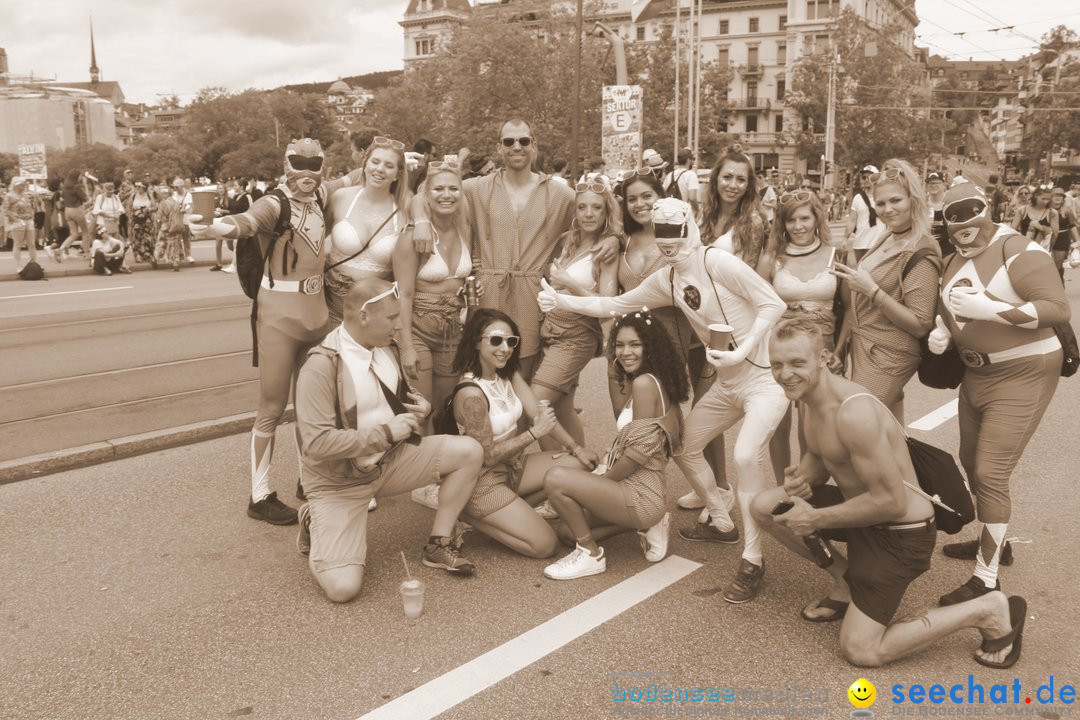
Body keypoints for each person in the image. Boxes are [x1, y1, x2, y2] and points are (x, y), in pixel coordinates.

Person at [539, 198, 789, 603]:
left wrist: (744, 351)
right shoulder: (668, 280)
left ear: (690, 226)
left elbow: (773, 303)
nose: (668, 240)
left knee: (745, 457)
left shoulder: (718, 262)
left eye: (674, 230)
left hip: (763, 379)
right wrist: (562, 300)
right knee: (684, 446)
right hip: (727, 384)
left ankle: (753, 558)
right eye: (661, 231)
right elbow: (615, 305)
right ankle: (723, 522)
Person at [751, 318, 1027, 669]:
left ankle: (986, 610)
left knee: (861, 650)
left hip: (901, 535)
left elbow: (890, 501)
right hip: (863, 515)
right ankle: (847, 582)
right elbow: (822, 457)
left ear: (822, 358)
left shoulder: (854, 413)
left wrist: (815, 517)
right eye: (777, 364)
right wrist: (802, 478)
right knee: (765, 506)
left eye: (796, 363)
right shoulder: (807, 396)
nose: (785, 374)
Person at [189, 138, 363, 525]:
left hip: (316, 315)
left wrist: (398, 160)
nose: (306, 171)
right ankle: (260, 493)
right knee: (271, 406)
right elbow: (247, 223)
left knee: (312, 407)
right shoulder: (275, 202)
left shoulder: (319, 195)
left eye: (313, 163)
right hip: (280, 318)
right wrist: (211, 228)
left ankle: (310, 477)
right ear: (286, 164)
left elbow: (357, 175)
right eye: (298, 163)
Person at [294, 279, 484, 602]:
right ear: (364, 316)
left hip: (389, 462)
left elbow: (392, 399)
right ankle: (313, 517)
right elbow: (316, 444)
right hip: (339, 483)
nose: (399, 326)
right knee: (343, 588)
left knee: (470, 451)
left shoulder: (385, 348)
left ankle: (438, 544)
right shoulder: (320, 366)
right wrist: (384, 433)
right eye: (392, 318)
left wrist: (421, 407)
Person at [928, 182, 1069, 606]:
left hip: (1025, 372)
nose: (963, 229)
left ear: (986, 212)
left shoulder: (1019, 249)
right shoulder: (952, 259)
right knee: (971, 461)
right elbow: (951, 312)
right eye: (953, 220)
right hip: (976, 377)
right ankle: (996, 538)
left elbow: (1056, 308)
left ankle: (987, 579)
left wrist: (992, 309)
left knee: (990, 473)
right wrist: (942, 333)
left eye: (971, 216)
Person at [411, 117, 617, 381]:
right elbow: (424, 192)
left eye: (523, 141)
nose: (516, 147)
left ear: (534, 145)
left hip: (531, 299)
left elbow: (600, 211)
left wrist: (614, 238)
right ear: (499, 147)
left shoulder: (560, 194)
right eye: (509, 141)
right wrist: (419, 220)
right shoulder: (476, 188)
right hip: (487, 296)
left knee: (522, 377)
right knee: (484, 377)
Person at [542, 310, 689, 579]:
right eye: (619, 345)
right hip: (638, 493)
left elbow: (638, 453)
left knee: (556, 479)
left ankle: (591, 555)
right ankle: (646, 525)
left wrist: (604, 480)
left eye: (635, 344)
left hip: (640, 494)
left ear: (650, 346)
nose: (625, 352)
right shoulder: (652, 380)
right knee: (566, 531)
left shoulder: (645, 383)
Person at [450, 309, 594, 558]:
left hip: (512, 468)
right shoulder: (471, 393)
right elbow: (488, 456)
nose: (504, 348)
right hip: (480, 480)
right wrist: (534, 434)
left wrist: (576, 448)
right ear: (476, 342)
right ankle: (469, 514)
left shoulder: (506, 373)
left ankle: (510, 509)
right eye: (496, 340)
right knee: (545, 545)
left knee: (578, 465)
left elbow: (539, 414)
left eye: (511, 341)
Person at [680, 146, 775, 509]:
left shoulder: (751, 222)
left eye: (740, 179)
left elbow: (747, 280)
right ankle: (712, 484)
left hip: (727, 324)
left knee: (708, 402)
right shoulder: (702, 217)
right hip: (697, 318)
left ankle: (721, 487)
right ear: (715, 179)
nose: (732, 185)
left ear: (749, 184)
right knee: (702, 404)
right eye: (727, 177)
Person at [830, 159, 942, 421]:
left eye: (896, 201)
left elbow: (920, 324)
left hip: (888, 355)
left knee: (857, 423)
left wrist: (872, 291)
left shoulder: (920, 250)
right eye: (880, 203)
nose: (887, 209)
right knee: (889, 434)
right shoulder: (889, 235)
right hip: (866, 346)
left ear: (913, 199)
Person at [531, 181, 620, 447]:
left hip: (576, 336)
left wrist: (570, 283)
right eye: (582, 207)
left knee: (537, 403)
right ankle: (582, 469)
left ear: (606, 213)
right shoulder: (566, 241)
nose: (589, 213)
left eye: (597, 208)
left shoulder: (606, 250)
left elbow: (608, 305)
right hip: (549, 331)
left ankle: (566, 462)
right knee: (563, 408)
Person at [760, 189, 840, 464]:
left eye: (805, 218)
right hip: (780, 350)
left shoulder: (835, 255)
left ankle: (810, 491)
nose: (799, 226)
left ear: (817, 217)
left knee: (813, 428)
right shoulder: (772, 258)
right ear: (782, 223)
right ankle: (784, 493)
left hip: (822, 350)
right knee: (778, 426)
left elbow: (851, 310)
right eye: (791, 220)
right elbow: (757, 306)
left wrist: (840, 350)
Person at [394, 158, 472, 423]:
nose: (447, 195)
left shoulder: (465, 230)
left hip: (452, 334)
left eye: (453, 188)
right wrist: (406, 347)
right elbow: (403, 295)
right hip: (418, 333)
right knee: (420, 411)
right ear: (426, 195)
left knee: (442, 410)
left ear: (462, 193)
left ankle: (442, 462)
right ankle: (421, 463)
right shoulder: (413, 236)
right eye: (439, 189)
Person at [325, 136, 409, 326]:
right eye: (375, 161)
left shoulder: (407, 211)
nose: (380, 169)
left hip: (377, 316)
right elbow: (313, 240)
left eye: (389, 165)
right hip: (332, 309)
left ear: (397, 174)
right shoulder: (340, 198)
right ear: (365, 164)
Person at [2, 178, 38, 271]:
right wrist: (15, 219)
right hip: (17, 221)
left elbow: (30, 207)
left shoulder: (26, 195)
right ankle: (19, 265)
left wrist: (32, 215)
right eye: (22, 184)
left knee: (31, 244)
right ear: (17, 185)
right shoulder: (9, 196)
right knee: (18, 244)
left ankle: (33, 264)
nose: (24, 186)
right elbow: (5, 210)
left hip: (29, 220)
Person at [848, 165, 880, 263]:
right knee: (861, 273)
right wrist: (845, 238)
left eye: (869, 177)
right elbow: (852, 220)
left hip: (878, 244)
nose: (866, 180)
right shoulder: (857, 198)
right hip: (860, 244)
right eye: (863, 177)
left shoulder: (882, 196)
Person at [1013, 184, 1058, 252]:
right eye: (1043, 198)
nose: (1045, 201)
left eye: (1048, 199)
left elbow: (1055, 234)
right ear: (1036, 196)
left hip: (1041, 249)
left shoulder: (1052, 213)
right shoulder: (1022, 210)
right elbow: (1012, 230)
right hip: (1023, 248)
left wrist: (1041, 227)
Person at [155, 179, 187, 271]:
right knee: (175, 244)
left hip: (165, 227)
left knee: (161, 243)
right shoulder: (176, 202)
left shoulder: (163, 203)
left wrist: (159, 223)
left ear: (165, 194)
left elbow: (159, 217)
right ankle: (175, 262)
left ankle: (156, 258)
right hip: (175, 227)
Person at [58, 170, 90, 259]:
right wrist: (85, 184)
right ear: (76, 177)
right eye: (80, 176)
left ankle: (61, 249)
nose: (81, 178)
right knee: (85, 232)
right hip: (77, 210)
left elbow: (62, 200)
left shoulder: (64, 188)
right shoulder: (76, 187)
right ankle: (86, 253)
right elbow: (87, 198)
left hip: (67, 211)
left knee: (74, 234)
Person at [1049, 186, 1078, 280]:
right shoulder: (1045, 210)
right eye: (1055, 195)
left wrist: (1078, 241)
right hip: (1047, 238)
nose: (1058, 198)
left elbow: (1072, 226)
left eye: (1060, 196)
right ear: (1050, 197)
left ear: (1063, 199)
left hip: (1062, 238)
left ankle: (1059, 283)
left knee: (1058, 265)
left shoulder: (1067, 210)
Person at [662, 148, 699, 216]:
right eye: (693, 159)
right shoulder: (691, 175)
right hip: (682, 215)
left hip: (668, 214)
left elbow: (662, 194)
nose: (694, 162)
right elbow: (692, 198)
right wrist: (697, 210)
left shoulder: (670, 175)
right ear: (688, 160)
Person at [128, 182, 156, 263]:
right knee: (137, 238)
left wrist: (148, 209)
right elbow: (129, 207)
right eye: (136, 186)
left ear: (144, 188)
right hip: (136, 220)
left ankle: (148, 255)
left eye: (139, 186)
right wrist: (131, 218)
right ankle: (138, 255)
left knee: (148, 238)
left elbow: (155, 207)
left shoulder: (149, 195)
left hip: (147, 220)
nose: (137, 188)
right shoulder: (133, 196)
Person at [926, 171, 950, 257]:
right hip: (927, 251)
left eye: (937, 183)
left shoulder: (949, 203)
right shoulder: (922, 203)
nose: (933, 185)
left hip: (948, 251)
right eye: (930, 183)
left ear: (943, 184)